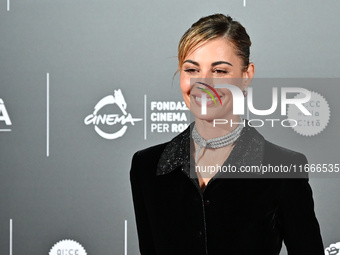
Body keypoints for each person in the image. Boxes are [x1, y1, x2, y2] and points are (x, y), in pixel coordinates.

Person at [130, 13, 324, 255]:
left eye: (219, 71)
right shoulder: (147, 166)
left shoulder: (284, 168)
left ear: (246, 76)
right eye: (191, 69)